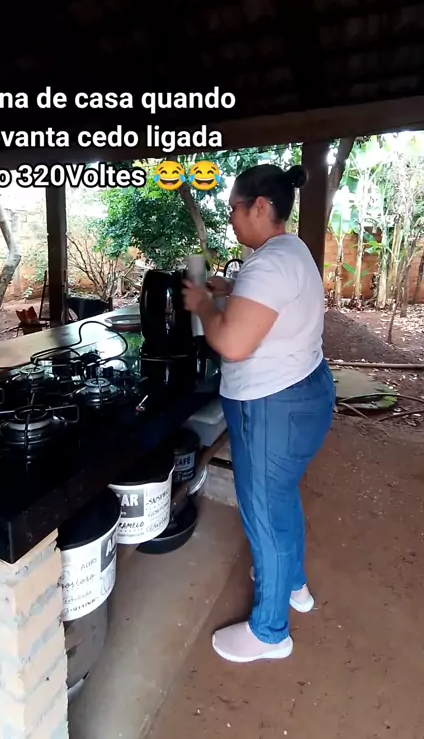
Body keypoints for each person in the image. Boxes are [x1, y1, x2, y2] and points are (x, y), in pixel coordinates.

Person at [182, 163, 335, 664]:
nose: (230, 218)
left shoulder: (268, 265)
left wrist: (203, 304)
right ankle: (293, 584)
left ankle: (270, 632)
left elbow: (232, 343)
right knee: (280, 498)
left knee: (264, 517)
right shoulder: (291, 251)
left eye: (233, 209)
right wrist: (230, 288)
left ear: (261, 207)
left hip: (272, 408)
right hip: (305, 393)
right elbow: (267, 298)